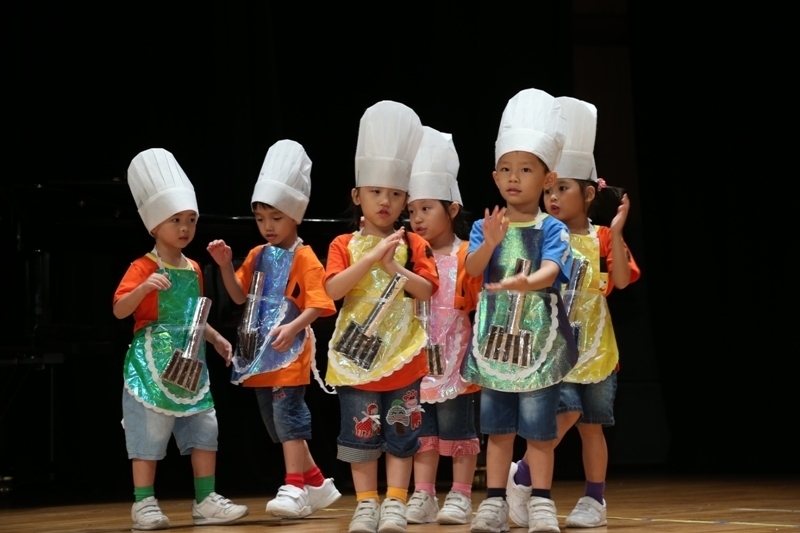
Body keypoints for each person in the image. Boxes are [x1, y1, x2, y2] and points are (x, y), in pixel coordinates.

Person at [506, 97, 641, 529]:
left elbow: (621, 281)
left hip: (598, 349)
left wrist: (615, 233)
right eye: (547, 190)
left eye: (561, 188)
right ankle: (523, 474)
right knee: (562, 413)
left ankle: (594, 500)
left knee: (592, 425)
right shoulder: (543, 235)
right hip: (554, 347)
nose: (551, 197)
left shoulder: (600, 237)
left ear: (588, 193)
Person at [461, 88, 579, 533]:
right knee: (498, 429)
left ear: (548, 179)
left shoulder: (553, 228)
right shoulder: (485, 225)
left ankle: (541, 501)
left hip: (538, 345)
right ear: (495, 177)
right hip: (496, 344)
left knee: (539, 429)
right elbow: (473, 269)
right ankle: (494, 502)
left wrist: (528, 282)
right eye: (507, 169)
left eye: (526, 169)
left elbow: (552, 270)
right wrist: (490, 242)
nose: (515, 177)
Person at [114, 148, 249, 530]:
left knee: (204, 428)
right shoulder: (142, 266)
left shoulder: (193, 268)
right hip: (152, 363)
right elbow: (120, 310)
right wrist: (144, 288)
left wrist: (216, 338)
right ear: (154, 225)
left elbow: (194, 317)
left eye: (191, 219)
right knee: (149, 431)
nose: (186, 228)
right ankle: (144, 503)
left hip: (190, 363)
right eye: (176, 220)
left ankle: (205, 500)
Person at [206, 140, 341, 518]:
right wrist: (224, 265)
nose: (268, 226)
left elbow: (320, 303)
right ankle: (316, 483)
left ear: (295, 216)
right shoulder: (257, 254)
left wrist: (293, 327)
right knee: (273, 422)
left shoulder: (305, 257)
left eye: (276, 218)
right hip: (259, 352)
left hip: (288, 350)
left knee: (288, 415)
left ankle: (294, 486)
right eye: (261, 218)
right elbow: (239, 296)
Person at [324, 100, 439, 533]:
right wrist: (372, 258)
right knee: (361, 432)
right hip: (357, 356)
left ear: (406, 198)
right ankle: (366, 504)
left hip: (404, 354)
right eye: (375, 192)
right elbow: (333, 290)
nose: (385, 201)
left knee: (402, 430)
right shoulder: (342, 244)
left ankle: (395, 502)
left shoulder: (414, 244)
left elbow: (427, 290)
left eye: (395, 194)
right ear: (358, 196)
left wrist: (394, 267)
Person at [404, 126, 483, 525]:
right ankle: (424, 494)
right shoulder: (407, 255)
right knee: (422, 428)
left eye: (426, 209)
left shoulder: (468, 252)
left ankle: (461, 494)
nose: (417, 219)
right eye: (412, 211)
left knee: (457, 426)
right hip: (417, 356)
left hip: (456, 355)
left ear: (451, 210)